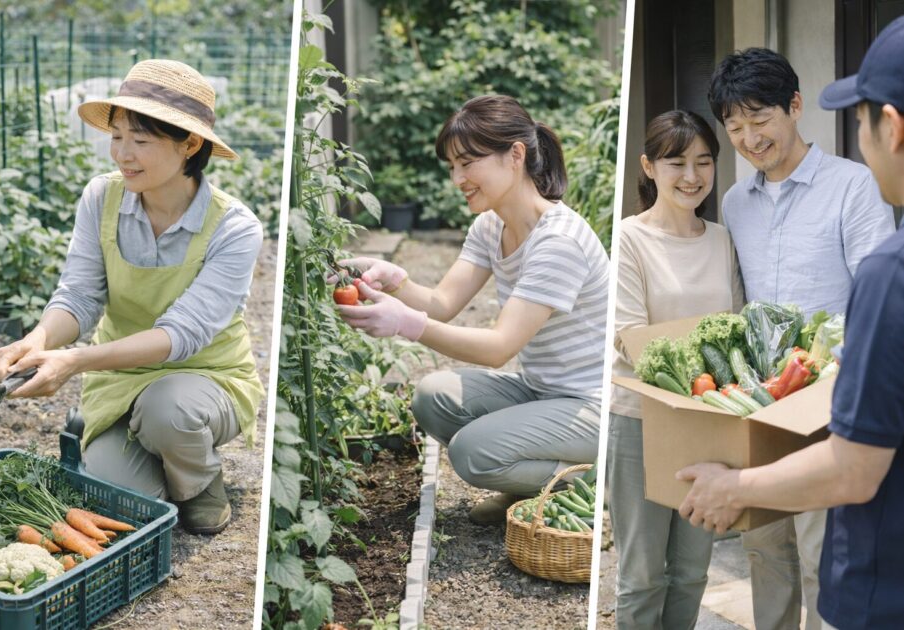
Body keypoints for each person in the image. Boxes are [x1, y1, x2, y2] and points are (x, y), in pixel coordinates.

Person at [0, 59, 264, 535]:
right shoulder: (102, 198)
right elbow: (79, 295)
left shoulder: (234, 228)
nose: (122, 154)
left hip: (203, 378)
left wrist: (74, 361)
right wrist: (39, 340)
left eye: (141, 140)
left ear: (190, 145)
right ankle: (151, 449)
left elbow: (182, 335)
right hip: (118, 378)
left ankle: (199, 481)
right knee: (116, 499)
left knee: (168, 411)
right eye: (117, 136)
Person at [336, 95, 608, 524]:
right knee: (432, 397)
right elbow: (442, 304)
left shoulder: (559, 242)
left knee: (471, 452)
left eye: (467, 163)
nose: (457, 178)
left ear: (515, 155)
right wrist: (395, 279)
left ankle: (590, 484)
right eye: (452, 167)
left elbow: (499, 347)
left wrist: (405, 323)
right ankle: (524, 482)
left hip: (591, 407)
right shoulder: (490, 226)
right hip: (542, 391)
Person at [704, 47, 894, 629]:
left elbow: (875, 295)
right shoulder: (736, 202)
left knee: (820, 552)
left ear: (794, 106)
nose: (748, 138)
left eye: (760, 120)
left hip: (829, 404)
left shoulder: (852, 185)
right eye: (735, 127)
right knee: (765, 550)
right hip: (761, 402)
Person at [609, 110, 743, 629]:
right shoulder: (630, 238)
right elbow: (630, 338)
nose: (693, 175)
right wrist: (706, 369)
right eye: (676, 162)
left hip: (708, 424)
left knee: (691, 570)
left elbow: (734, 329)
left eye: (704, 162)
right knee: (642, 575)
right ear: (648, 167)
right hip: (640, 422)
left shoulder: (721, 239)